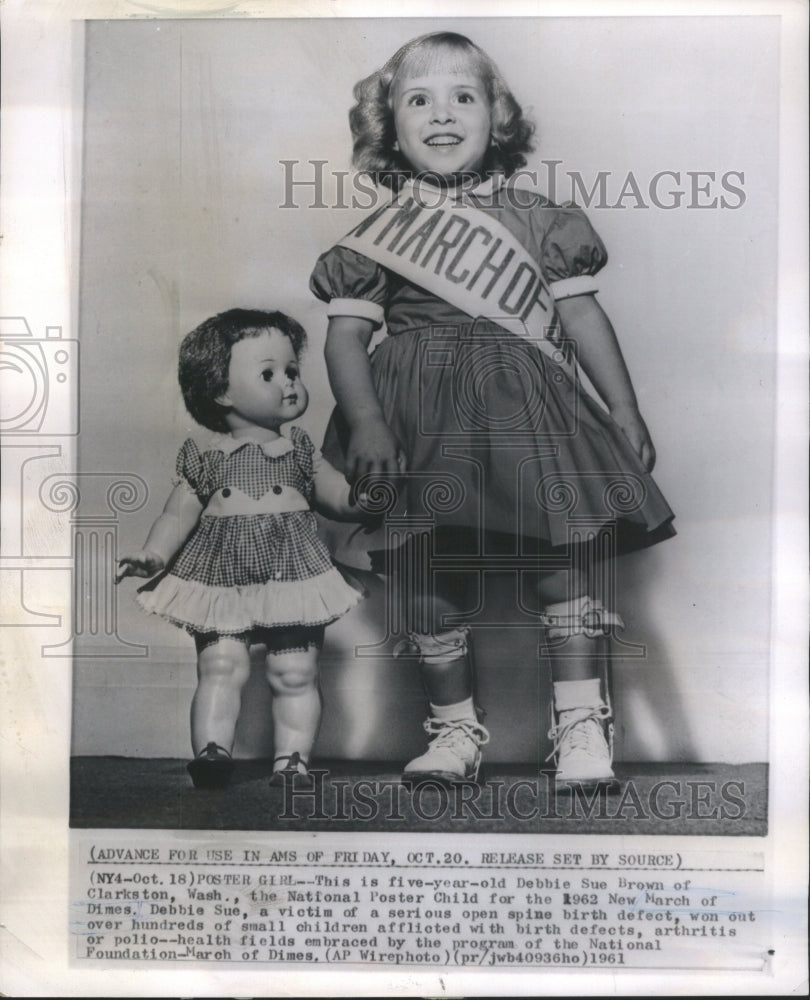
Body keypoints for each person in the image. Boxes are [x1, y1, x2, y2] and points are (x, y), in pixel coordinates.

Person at [309, 31, 675, 790]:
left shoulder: (542, 219)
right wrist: (369, 423)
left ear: (496, 117)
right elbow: (345, 338)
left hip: (524, 412)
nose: (442, 115)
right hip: (417, 418)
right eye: (419, 100)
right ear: (390, 127)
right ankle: (452, 732)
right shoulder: (377, 236)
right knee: (426, 571)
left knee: (560, 563)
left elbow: (580, 320)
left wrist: (625, 408)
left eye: (463, 97)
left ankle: (580, 726)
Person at [117, 308, 363, 788]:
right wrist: (154, 554)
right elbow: (176, 514)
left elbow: (336, 495)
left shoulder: (301, 451)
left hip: (292, 572)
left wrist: (363, 499)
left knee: (294, 670)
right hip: (220, 573)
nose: (289, 382)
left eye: (292, 371)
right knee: (220, 664)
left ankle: (292, 760)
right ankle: (212, 751)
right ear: (220, 391)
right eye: (269, 373)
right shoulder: (205, 457)